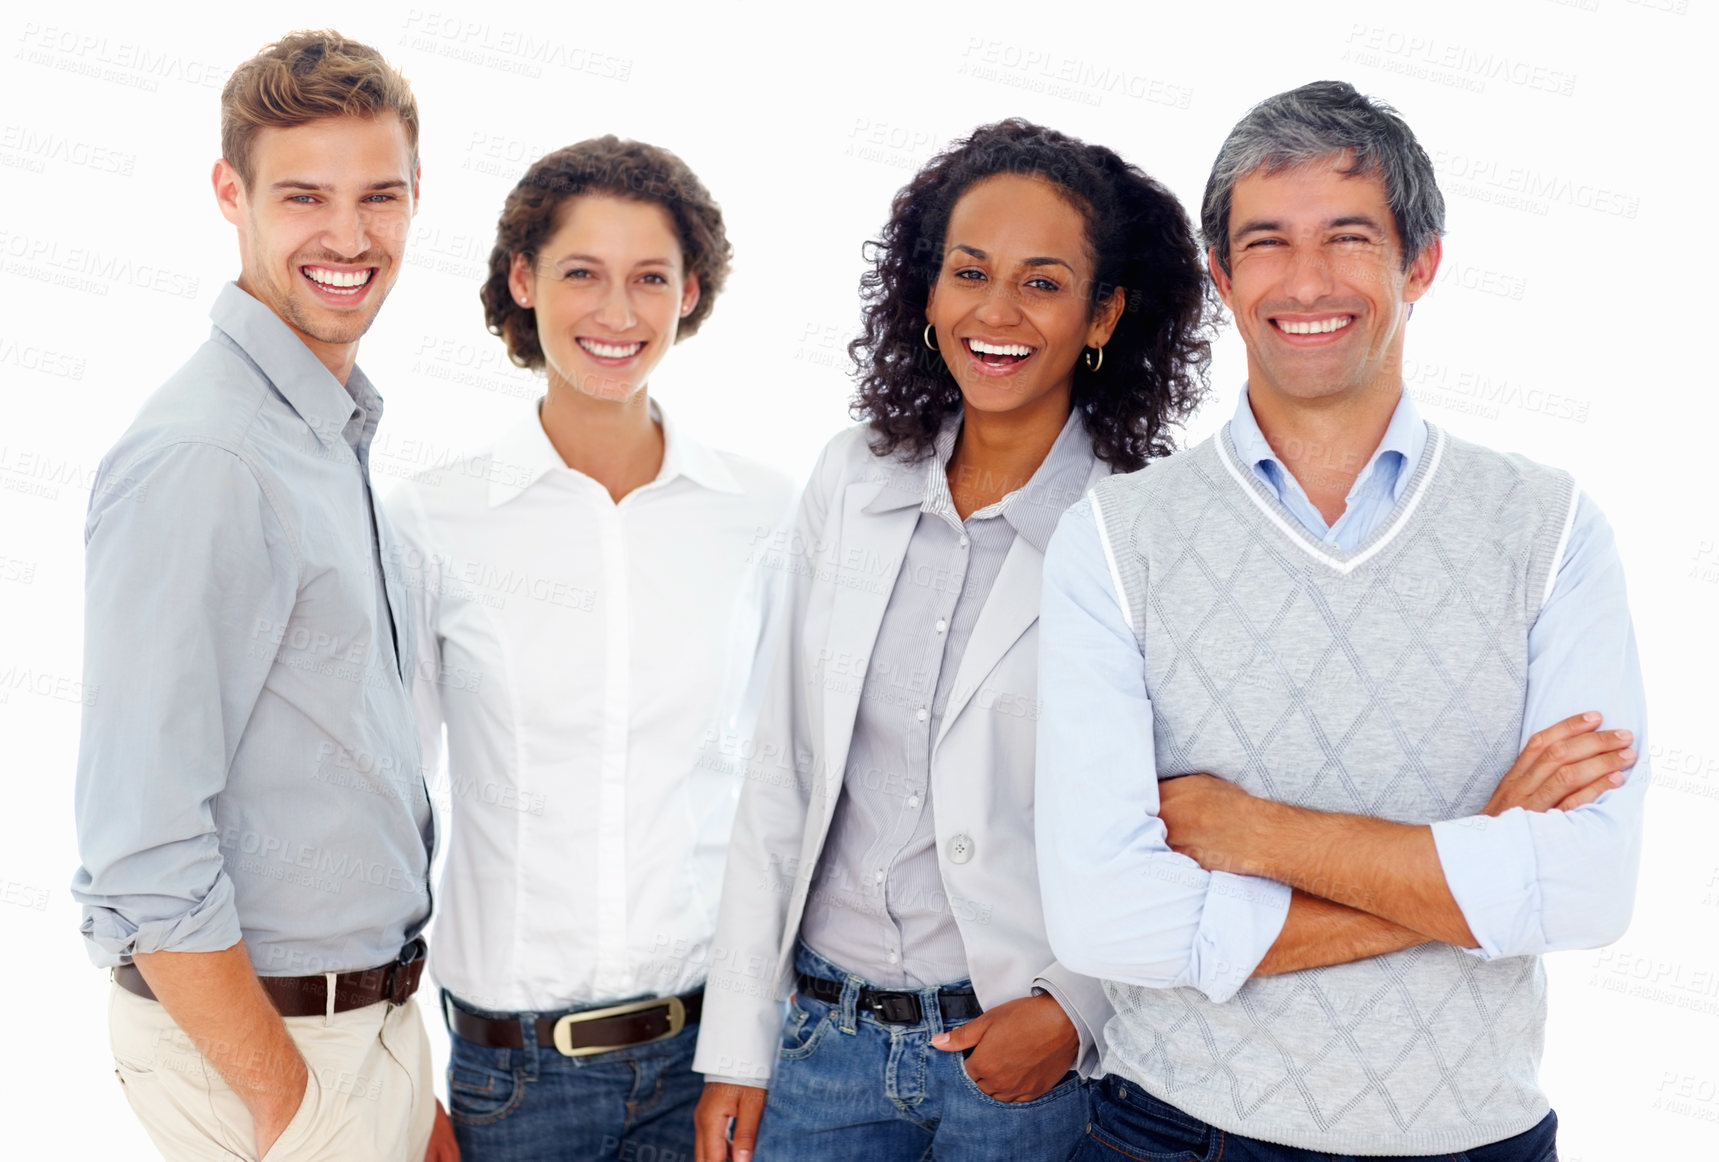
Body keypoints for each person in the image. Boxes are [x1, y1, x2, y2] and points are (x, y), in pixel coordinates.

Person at [1037, 80, 1647, 1161]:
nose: (1306, 280)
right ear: (1223, 278)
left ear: (1422, 263)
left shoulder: (1548, 527)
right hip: (1179, 1132)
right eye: (1266, 243)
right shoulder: (1118, 536)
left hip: (1479, 1137)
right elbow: (1106, 918)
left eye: (1349, 237)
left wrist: (1263, 835)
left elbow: (1588, 891)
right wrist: (1472, 864)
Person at [691, 119, 1215, 1162]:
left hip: (1015, 1061)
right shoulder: (852, 478)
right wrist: (737, 1048)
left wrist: (1073, 1010)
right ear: (926, 292)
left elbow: (1189, 819)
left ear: (1103, 313)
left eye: (1044, 282)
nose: (997, 312)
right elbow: (780, 777)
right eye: (969, 272)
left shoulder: (1146, 530)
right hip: (822, 1046)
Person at [71, 29, 457, 1162]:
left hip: (354, 1030)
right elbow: (142, 844)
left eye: (380, 196)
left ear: (416, 196)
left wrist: (388, 1064)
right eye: (304, 198)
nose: (349, 238)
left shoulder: (319, 434)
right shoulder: (212, 457)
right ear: (228, 193)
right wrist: (295, 1104)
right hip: (272, 1052)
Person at [385, 137, 794, 1161]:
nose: (618, 314)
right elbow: (386, 808)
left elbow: (781, 803)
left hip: (712, 1065)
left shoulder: (764, 518)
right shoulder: (433, 521)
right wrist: (397, 1083)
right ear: (522, 281)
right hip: (507, 1082)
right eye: (582, 273)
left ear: (690, 291)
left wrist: (748, 1049)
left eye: (650, 277)